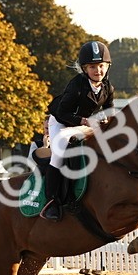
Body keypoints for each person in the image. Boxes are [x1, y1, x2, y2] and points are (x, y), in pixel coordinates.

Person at [42, 40, 115, 221]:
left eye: (101, 66)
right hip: (60, 122)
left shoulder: (108, 87)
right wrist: (84, 121)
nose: (97, 71)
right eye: (92, 67)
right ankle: (52, 201)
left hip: (83, 123)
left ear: (107, 67)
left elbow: (110, 109)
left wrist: (108, 120)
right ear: (84, 69)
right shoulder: (76, 85)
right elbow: (61, 112)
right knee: (59, 153)